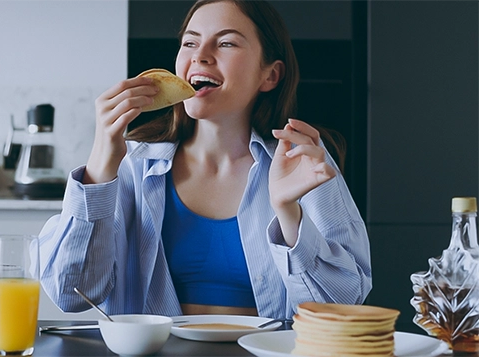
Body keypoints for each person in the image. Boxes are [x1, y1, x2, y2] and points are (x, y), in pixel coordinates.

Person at [38, 0, 371, 320]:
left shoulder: (303, 161)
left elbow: (343, 304)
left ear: (269, 76)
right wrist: (99, 164)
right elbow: (70, 292)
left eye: (226, 43)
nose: (200, 56)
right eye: (189, 43)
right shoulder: (131, 165)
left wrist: (288, 213)